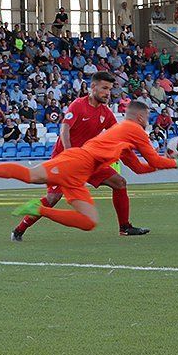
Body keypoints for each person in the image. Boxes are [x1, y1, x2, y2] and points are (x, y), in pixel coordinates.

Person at [0, 101, 178, 232]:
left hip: (83, 173)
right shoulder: (134, 129)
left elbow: (141, 168)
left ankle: (39, 210)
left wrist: (168, 163)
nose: (148, 121)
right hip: (78, 161)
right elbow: (153, 161)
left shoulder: (123, 135)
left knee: (89, 222)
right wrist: (175, 163)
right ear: (141, 118)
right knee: (31, 176)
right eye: (147, 117)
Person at [10, 72, 151, 240]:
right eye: (104, 88)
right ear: (93, 87)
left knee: (119, 183)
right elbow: (65, 129)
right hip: (65, 161)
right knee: (53, 197)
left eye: (110, 89)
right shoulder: (78, 105)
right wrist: (70, 154)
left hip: (88, 161)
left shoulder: (105, 113)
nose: (108, 93)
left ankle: (125, 227)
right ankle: (19, 230)